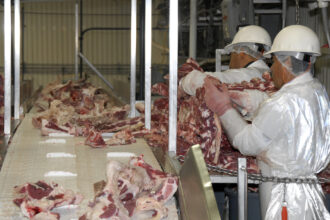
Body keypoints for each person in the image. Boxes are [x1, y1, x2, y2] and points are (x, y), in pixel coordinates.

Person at [204, 25, 330, 219]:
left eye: (275, 61)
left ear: (287, 60)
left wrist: (223, 108)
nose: (271, 68)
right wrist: (246, 99)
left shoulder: (283, 102)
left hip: (285, 199)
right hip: (308, 194)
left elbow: (247, 142)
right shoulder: (317, 91)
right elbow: (286, 117)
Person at [179, 25, 272, 96]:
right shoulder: (266, 73)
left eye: (231, 52)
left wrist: (181, 84)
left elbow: (197, 81)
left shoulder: (250, 75)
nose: (230, 58)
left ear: (242, 52)